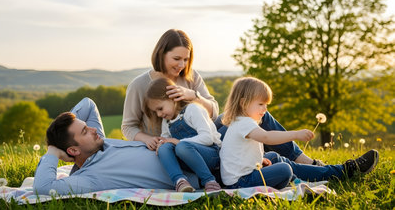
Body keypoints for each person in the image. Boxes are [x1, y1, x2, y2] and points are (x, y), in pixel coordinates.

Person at [121, 28, 321, 166]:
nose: (181, 65)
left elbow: (214, 111)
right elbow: (128, 126)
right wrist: (147, 139)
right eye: (176, 59)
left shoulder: (191, 78)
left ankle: (304, 160)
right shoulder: (140, 85)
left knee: (257, 115)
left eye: (186, 59)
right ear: (161, 54)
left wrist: (194, 96)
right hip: (178, 145)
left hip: (207, 136)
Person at [219, 77, 379, 189]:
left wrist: (259, 158)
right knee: (284, 169)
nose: (265, 109)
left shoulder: (240, 121)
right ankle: (333, 173)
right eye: (261, 104)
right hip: (241, 182)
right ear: (243, 103)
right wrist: (295, 134)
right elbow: (267, 137)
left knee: (273, 157)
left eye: (266, 104)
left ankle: (335, 172)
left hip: (243, 174)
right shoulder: (244, 123)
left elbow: (239, 153)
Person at [33, 97, 200, 195]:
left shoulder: (98, 142)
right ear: (74, 150)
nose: (92, 129)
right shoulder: (90, 178)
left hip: (190, 144)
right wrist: (53, 151)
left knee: (222, 119)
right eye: (84, 131)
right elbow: (43, 188)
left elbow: (87, 104)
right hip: (195, 167)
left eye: (86, 126)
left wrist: (63, 128)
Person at [144, 77, 222, 192]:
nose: (159, 114)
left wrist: (179, 142)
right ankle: (180, 181)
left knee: (182, 147)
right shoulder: (167, 121)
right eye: (156, 112)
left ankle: (210, 181)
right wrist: (160, 144)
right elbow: (167, 140)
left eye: (160, 109)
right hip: (187, 158)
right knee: (164, 148)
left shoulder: (192, 110)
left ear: (173, 99)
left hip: (211, 155)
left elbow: (208, 138)